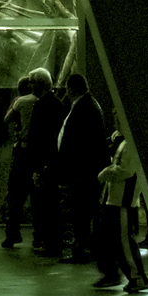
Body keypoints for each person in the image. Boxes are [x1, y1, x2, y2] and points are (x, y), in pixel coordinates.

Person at [92, 110, 148, 293]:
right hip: (115, 200)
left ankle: (137, 277)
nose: (115, 124)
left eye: (117, 121)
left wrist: (104, 174)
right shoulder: (124, 142)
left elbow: (126, 171)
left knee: (124, 242)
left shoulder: (130, 145)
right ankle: (133, 277)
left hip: (123, 202)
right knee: (118, 241)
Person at [56, 74, 106, 263]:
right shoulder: (89, 105)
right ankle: (83, 247)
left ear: (71, 89)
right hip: (85, 170)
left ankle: (81, 249)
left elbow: (77, 142)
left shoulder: (83, 108)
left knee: (81, 211)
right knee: (83, 211)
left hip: (82, 171)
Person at [26, 68, 66, 256]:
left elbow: (40, 139)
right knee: (50, 205)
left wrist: (38, 167)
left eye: (32, 82)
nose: (30, 86)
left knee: (47, 205)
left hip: (45, 164)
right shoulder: (56, 105)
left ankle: (51, 244)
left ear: (39, 85)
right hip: (50, 163)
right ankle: (51, 242)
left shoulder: (43, 105)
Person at [2, 74, 37, 248]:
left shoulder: (20, 102)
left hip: (21, 152)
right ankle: (39, 235)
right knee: (38, 196)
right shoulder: (43, 101)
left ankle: (12, 233)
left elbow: (7, 119)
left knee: (15, 195)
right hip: (38, 152)